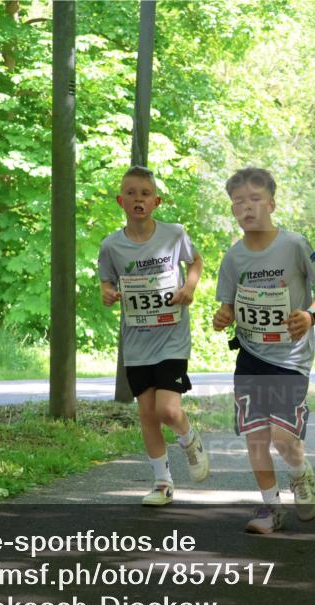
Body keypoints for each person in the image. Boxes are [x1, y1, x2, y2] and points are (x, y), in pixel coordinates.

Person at [214, 167, 315, 534]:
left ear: (271, 203)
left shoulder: (294, 244)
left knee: (283, 440)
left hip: (291, 357)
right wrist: (224, 315)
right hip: (250, 356)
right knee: (256, 438)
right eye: (238, 202)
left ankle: (300, 474)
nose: (246, 208)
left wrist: (311, 315)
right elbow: (229, 305)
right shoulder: (233, 258)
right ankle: (270, 509)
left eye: (254, 199)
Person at [98, 166, 209, 506]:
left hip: (171, 336)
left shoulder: (174, 234)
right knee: (147, 412)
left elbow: (196, 262)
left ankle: (190, 441)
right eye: (130, 193)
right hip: (136, 342)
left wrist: (189, 287)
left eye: (145, 193)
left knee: (168, 410)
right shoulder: (111, 246)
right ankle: (162, 483)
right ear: (120, 201)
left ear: (156, 201)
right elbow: (107, 280)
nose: (138, 199)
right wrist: (107, 293)